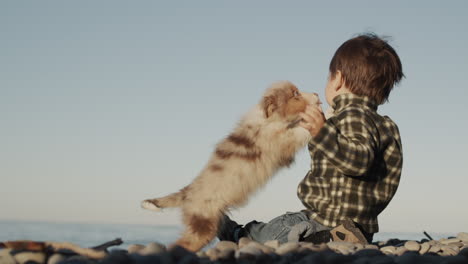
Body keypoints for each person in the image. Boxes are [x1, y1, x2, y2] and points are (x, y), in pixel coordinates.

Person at [218, 33, 404, 244]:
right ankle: (328, 238)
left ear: (338, 80)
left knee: (281, 226)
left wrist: (321, 133)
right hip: (363, 226)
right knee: (291, 224)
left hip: (327, 220)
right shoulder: (384, 126)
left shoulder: (352, 116)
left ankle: (237, 233)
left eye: (328, 77)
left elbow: (358, 161)